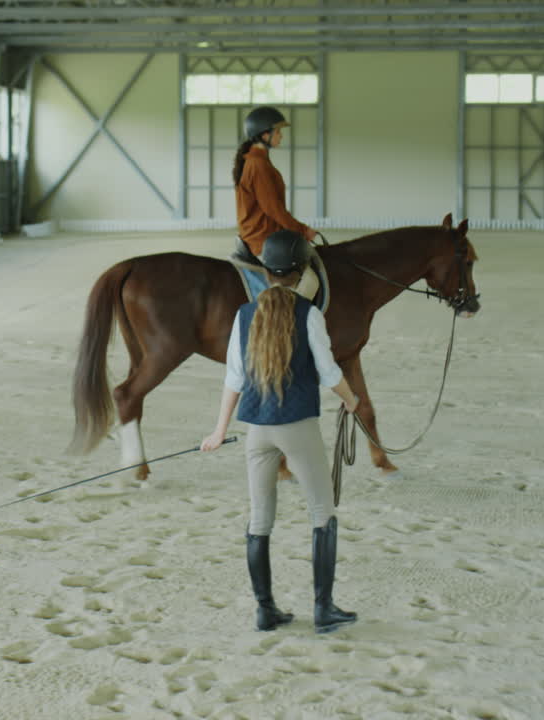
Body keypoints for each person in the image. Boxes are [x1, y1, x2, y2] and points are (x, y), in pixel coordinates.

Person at [201, 229, 361, 634]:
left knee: (260, 519)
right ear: (301, 271)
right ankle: (323, 610)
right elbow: (328, 373)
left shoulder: (244, 314)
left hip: (256, 430)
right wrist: (352, 399)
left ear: (267, 272)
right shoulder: (309, 314)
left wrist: (219, 431)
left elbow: (234, 378)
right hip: (296, 427)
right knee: (322, 513)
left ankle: (265, 609)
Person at [233, 107, 319, 298]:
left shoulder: (258, 161)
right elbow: (274, 210)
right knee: (310, 280)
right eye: (278, 132)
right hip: (262, 240)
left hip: (267, 236)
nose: (281, 136)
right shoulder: (258, 165)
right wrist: (303, 231)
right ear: (265, 135)